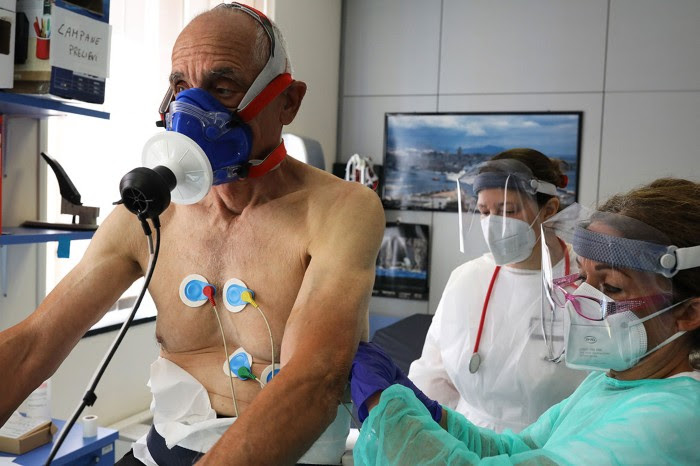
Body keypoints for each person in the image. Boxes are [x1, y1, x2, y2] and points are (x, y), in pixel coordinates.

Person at [0, 3, 384, 465]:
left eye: (222, 88)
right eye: (180, 86)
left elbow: (315, 380)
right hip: (167, 451)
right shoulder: (148, 216)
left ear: (287, 101)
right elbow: (36, 342)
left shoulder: (341, 211)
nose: (190, 110)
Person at [351, 178, 700, 465]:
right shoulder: (609, 383)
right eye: (583, 278)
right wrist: (424, 411)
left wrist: (384, 407)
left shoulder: (674, 419)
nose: (582, 300)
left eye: (611, 287)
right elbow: (513, 451)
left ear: (689, 312)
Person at [408, 148, 586, 432]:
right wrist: (424, 435)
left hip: (557, 445)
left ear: (549, 210)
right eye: (484, 211)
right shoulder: (466, 279)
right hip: (469, 439)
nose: (493, 223)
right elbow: (432, 375)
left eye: (508, 210)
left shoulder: (588, 283)